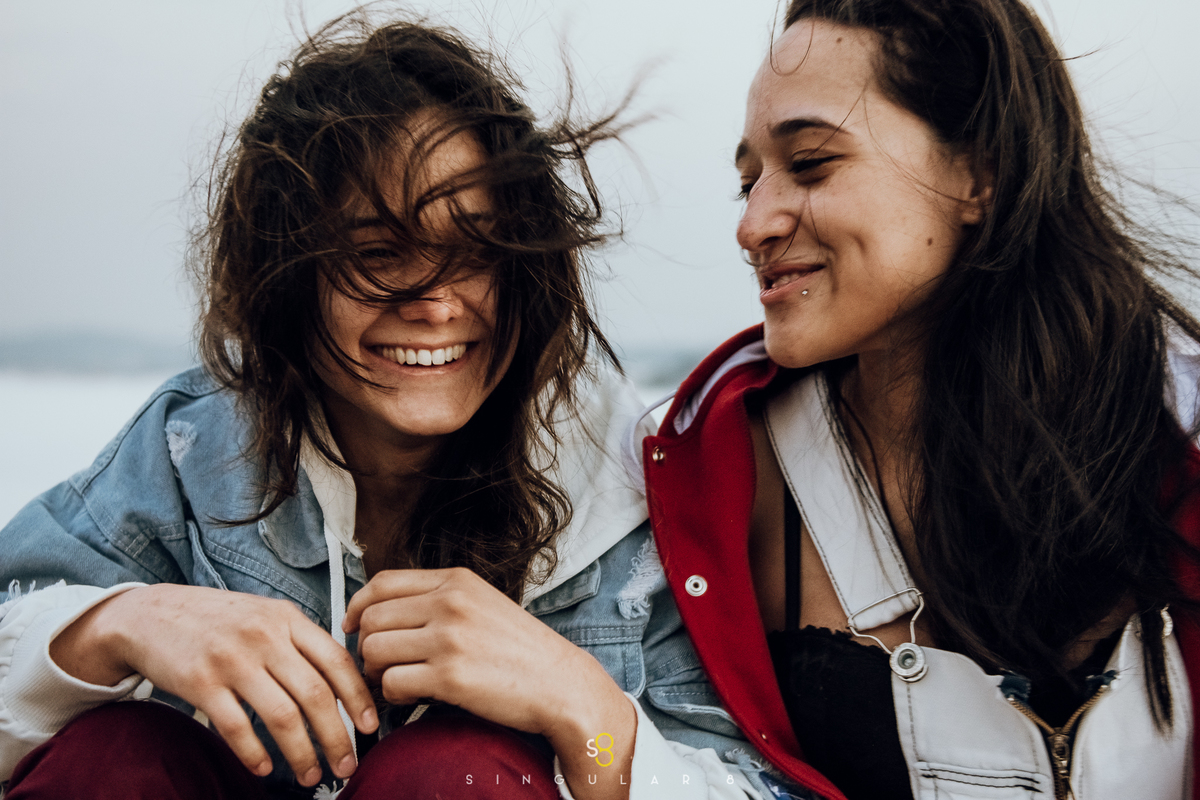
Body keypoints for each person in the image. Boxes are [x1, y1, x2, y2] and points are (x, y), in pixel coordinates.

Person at [0, 12, 781, 800]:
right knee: (116, 757)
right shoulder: (198, 448)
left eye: (475, 251)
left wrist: (584, 707)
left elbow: (749, 783)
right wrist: (117, 626)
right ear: (284, 275)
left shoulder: (621, 494)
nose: (436, 304)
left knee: (455, 775)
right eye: (378, 254)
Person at [641, 1, 1200, 798]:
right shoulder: (713, 473)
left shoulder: (1174, 447)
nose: (753, 224)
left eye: (809, 164)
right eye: (747, 183)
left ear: (980, 174)